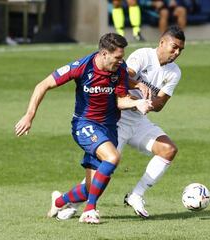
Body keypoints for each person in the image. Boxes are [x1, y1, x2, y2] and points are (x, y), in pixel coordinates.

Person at [14, 33, 152, 224]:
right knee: (112, 158)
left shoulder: (119, 69)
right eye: (118, 57)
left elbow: (120, 100)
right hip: (85, 124)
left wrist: (137, 103)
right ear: (104, 54)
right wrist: (29, 115)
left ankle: (59, 200)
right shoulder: (81, 66)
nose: (122, 61)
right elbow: (43, 85)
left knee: (92, 186)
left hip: (109, 127)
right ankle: (89, 210)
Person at [56, 25, 185, 220]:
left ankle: (136, 195)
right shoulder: (143, 55)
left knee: (168, 149)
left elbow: (160, 104)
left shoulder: (174, 72)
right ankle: (65, 202)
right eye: (174, 47)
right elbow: (122, 77)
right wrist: (139, 88)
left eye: (180, 50)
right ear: (162, 42)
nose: (176, 53)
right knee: (96, 179)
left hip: (140, 120)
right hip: (117, 120)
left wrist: (148, 103)